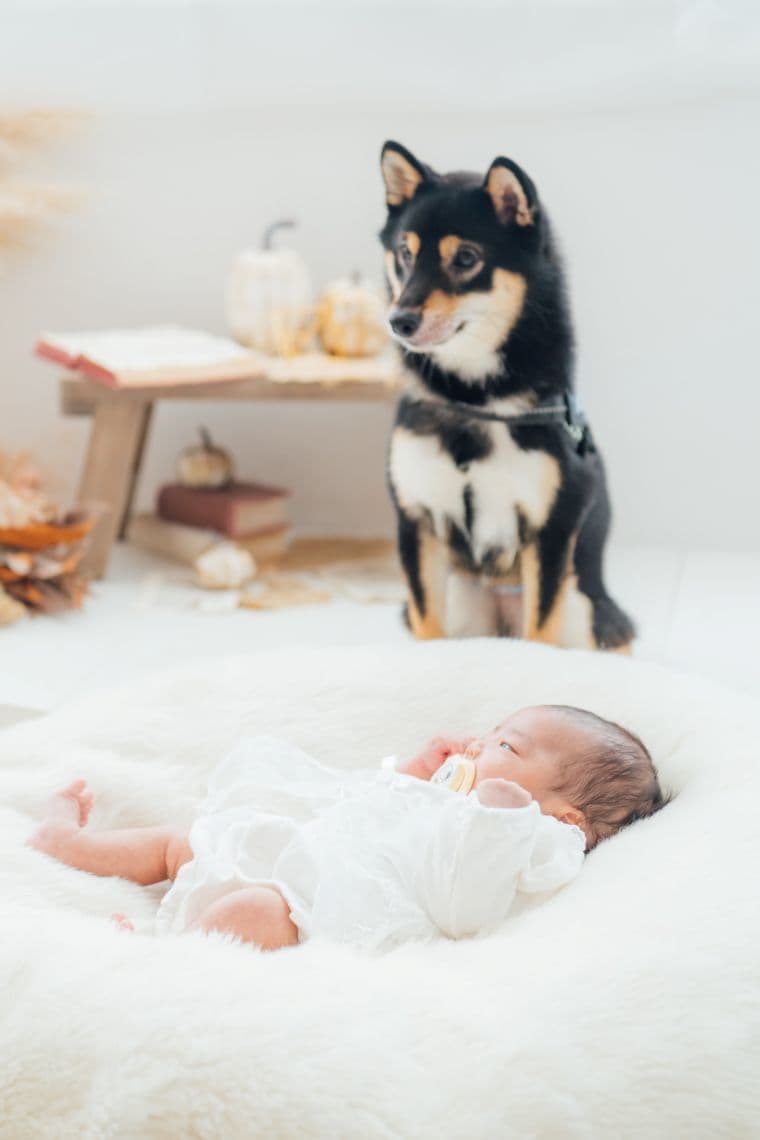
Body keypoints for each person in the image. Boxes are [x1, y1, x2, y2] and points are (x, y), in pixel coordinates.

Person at [27, 705, 667, 952]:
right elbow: (376, 803)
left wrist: (501, 821)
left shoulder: (535, 843)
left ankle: (156, 959)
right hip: (305, 847)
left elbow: (467, 907)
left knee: (253, 911)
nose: (483, 744)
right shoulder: (466, 794)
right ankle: (65, 846)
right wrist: (419, 772)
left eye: (509, 745)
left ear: (565, 817)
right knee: (184, 839)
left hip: (322, 903)